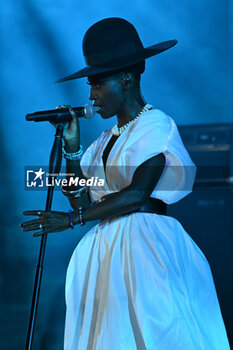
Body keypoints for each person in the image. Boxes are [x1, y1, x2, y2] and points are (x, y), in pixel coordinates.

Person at [21, 18, 230, 349]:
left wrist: (72, 221)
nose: (92, 94)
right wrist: (73, 150)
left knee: (155, 331)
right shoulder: (103, 140)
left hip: (145, 250)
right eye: (91, 86)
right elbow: (83, 203)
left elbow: (136, 194)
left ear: (127, 79)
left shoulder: (155, 125)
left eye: (99, 84)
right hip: (105, 253)